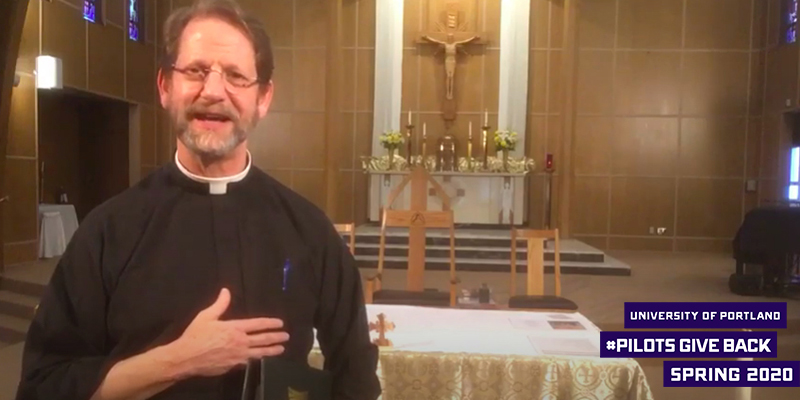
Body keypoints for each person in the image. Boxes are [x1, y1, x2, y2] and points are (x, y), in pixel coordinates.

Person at [15, 0, 381, 399]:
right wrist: (179, 361)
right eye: (195, 71)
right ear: (165, 87)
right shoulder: (107, 232)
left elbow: (355, 377)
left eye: (237, 76)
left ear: (263, 98)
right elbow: (42, 386)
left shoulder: (309, 230)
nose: (213, 91)